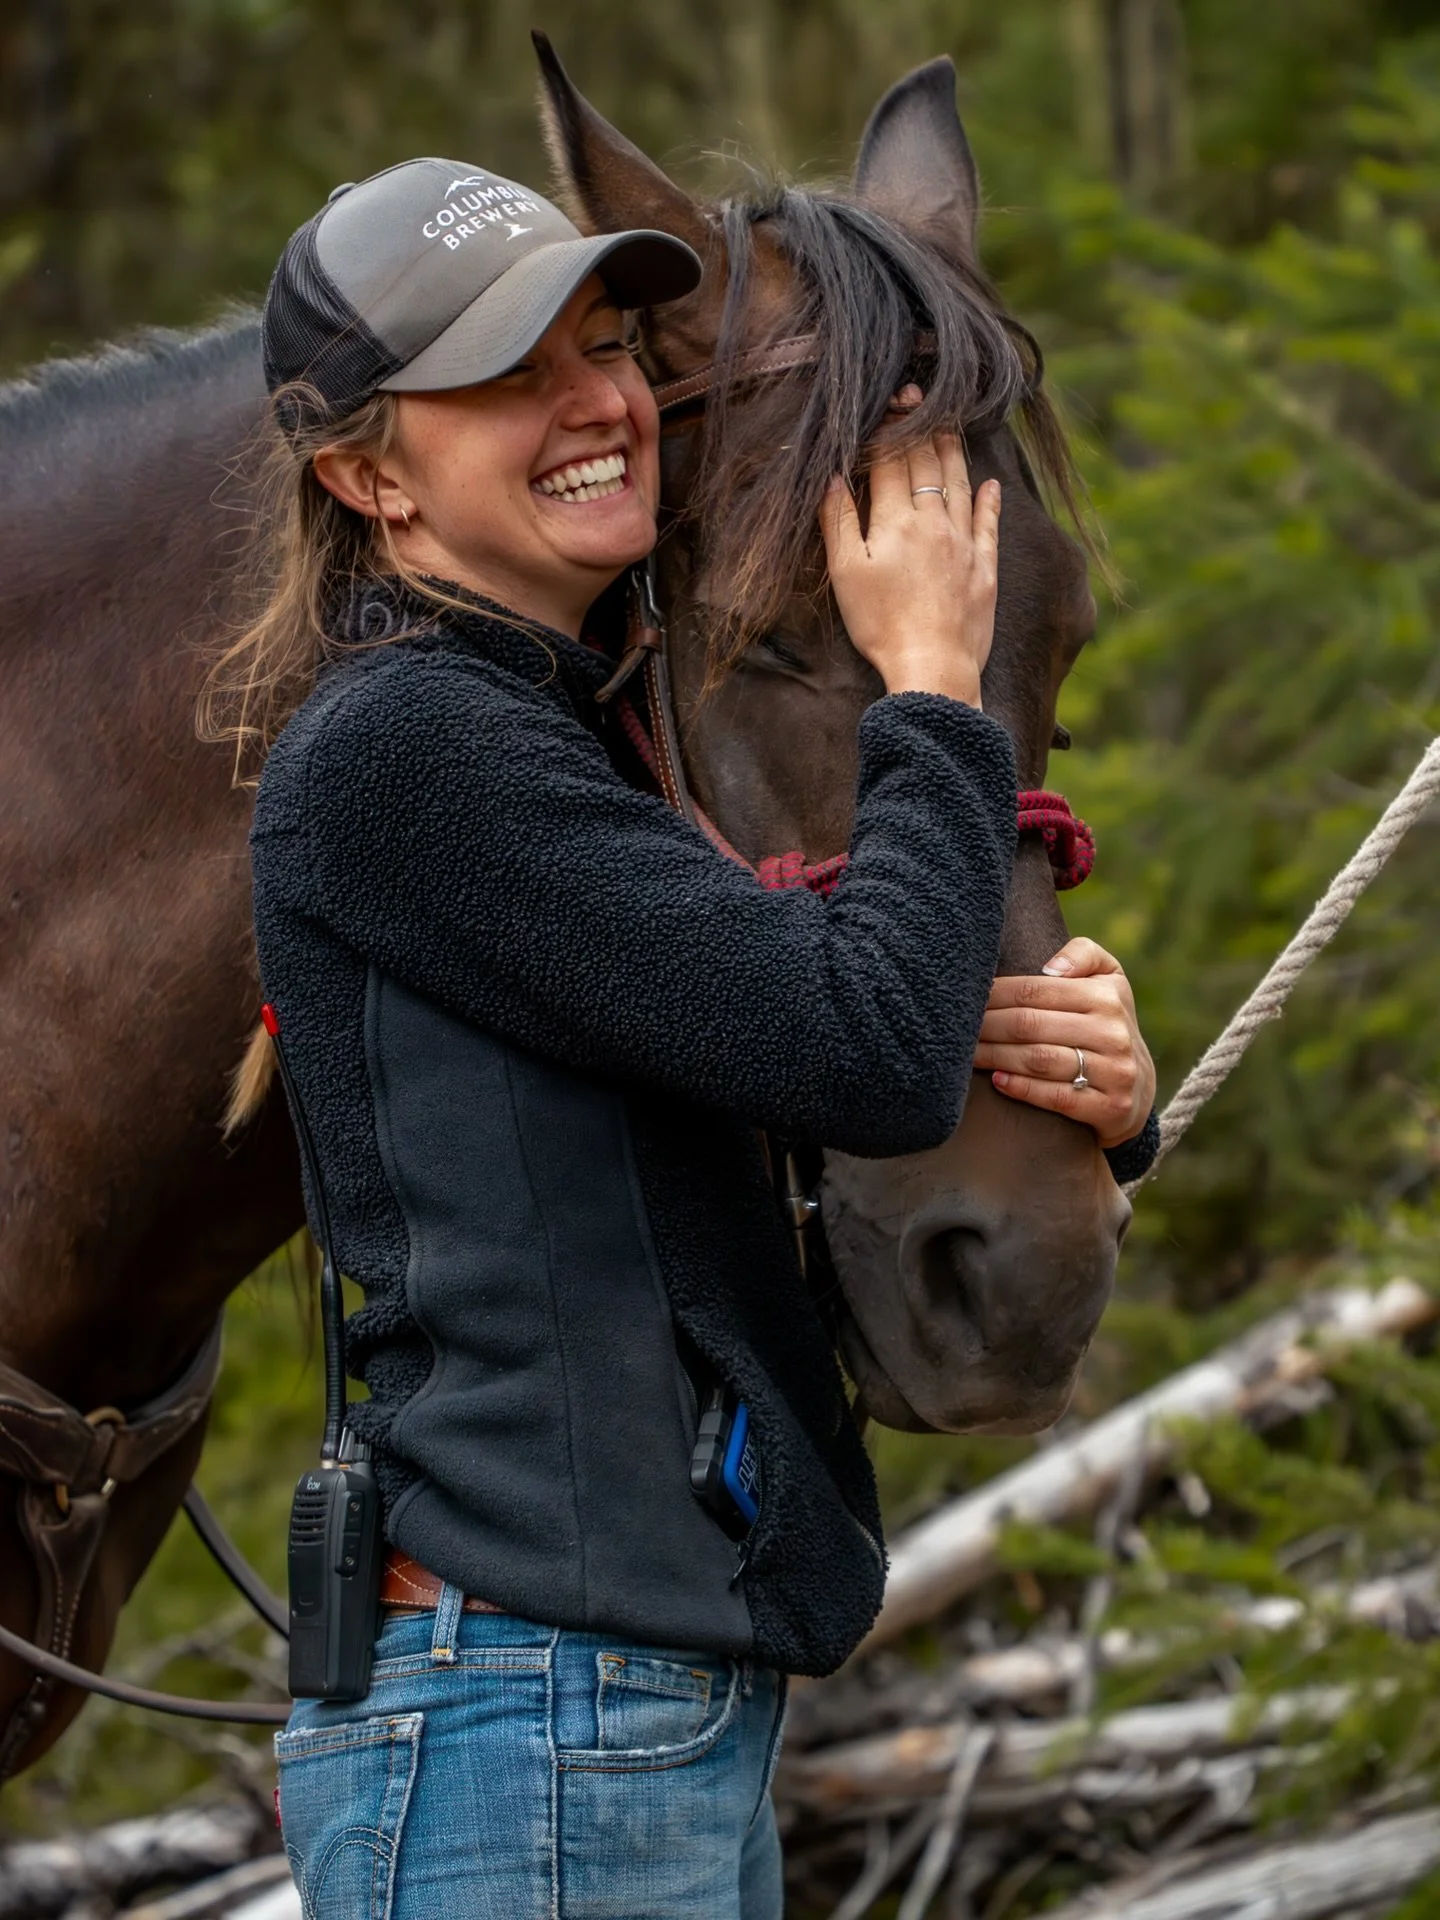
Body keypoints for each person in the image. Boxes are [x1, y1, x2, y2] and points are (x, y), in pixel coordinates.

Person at [223, 157, 1157, 1919]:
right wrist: (931, 688)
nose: (595, 404)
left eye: (600, 346)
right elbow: (856, 1057)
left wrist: (1088, 1093)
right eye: (505, 377)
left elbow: (742, 1144)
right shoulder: (412, 752)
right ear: (366, 475)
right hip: (532, 1726)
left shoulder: (560, 744)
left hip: (610, 1718)